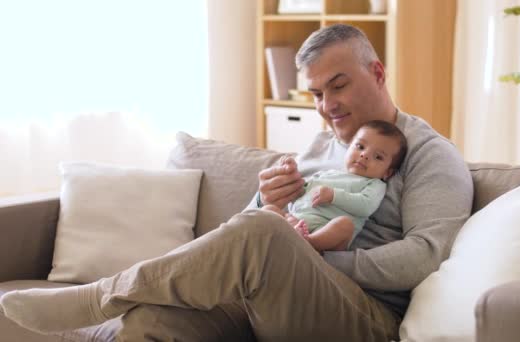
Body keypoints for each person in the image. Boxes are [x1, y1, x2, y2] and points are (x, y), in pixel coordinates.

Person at [0, 24, 473, 341]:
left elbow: (424, 255)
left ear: (377, 72)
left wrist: (315, 255)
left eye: (339, 84)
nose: (327, 105)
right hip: (263, 299)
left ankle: (102, 295)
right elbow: (250, 233)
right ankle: (125, 301)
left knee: (266, 233)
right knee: (153, 321)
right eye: (316, 93)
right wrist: (264, 200)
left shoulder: (431, 154)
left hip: (362, 315)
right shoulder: (316, 146)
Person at [263, 120, 408, 252]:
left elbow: (366, 206)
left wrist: (333, 196)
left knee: (345, 225)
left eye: (378, 157)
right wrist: (291, 173)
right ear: (349, 147)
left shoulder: (374, 184)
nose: (364, 155)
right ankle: (293, 235)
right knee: (268, 209)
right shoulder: (328, 174)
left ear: (387, 173)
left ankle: (309, 242)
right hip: (297, 220)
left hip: (325, 230)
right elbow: (300, 194)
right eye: (360, 146)